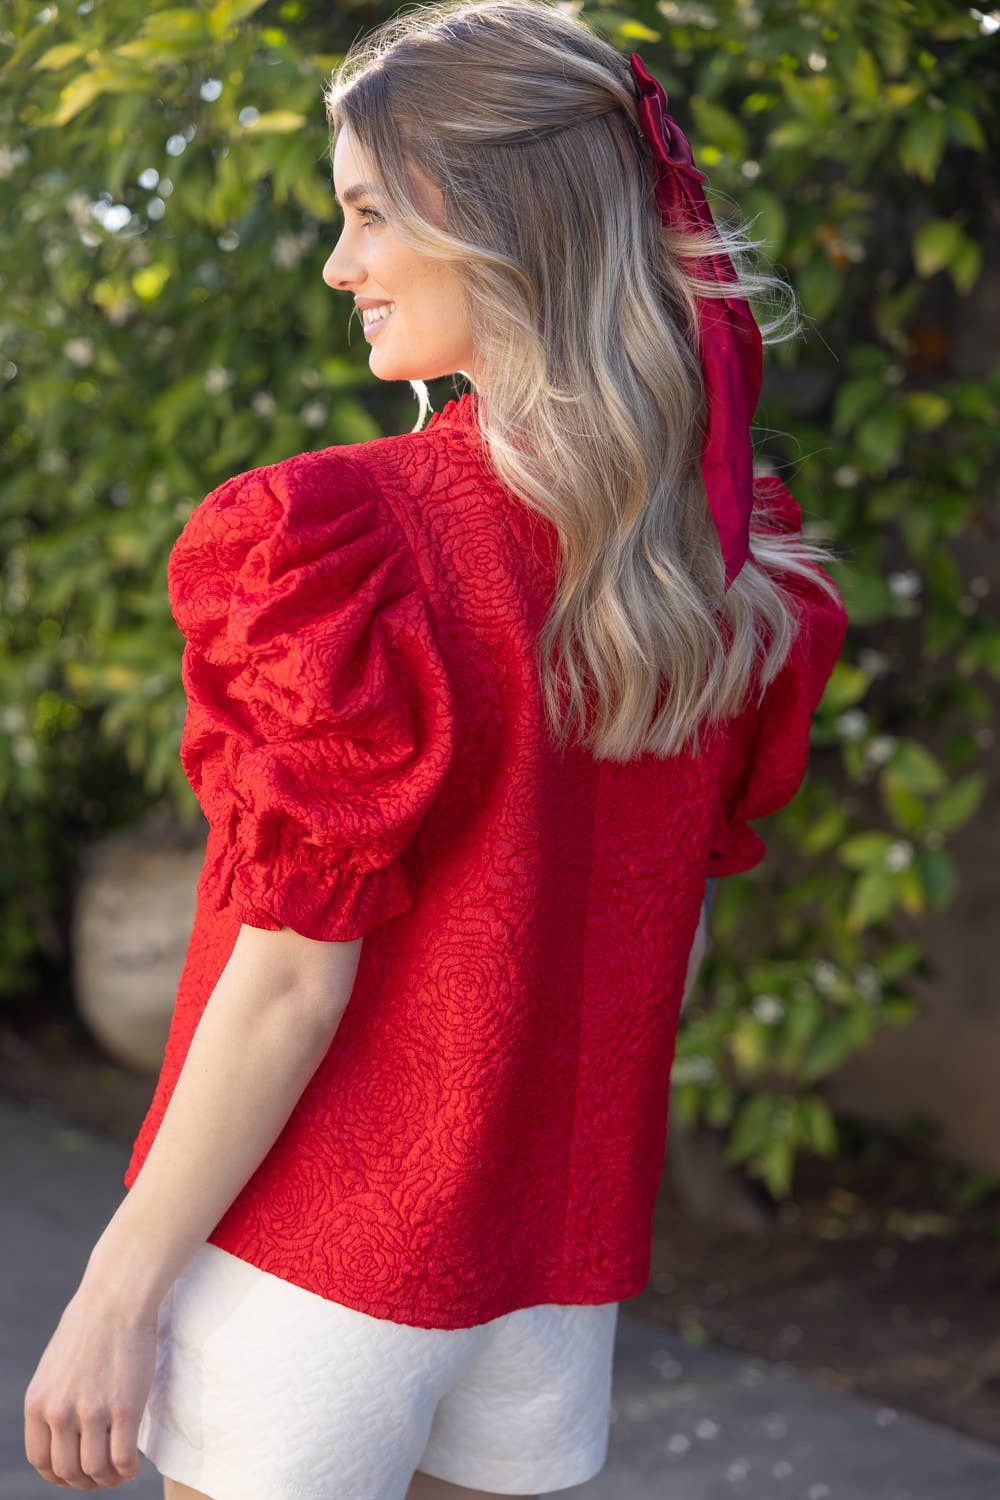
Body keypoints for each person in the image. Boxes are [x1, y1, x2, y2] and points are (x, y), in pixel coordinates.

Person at [23, 2, 849, 1497]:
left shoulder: (350, 542)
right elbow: (666, 938)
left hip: (315, 1258)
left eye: (367, 214)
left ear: (497, 223)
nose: (339, 265)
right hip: (550, 1282)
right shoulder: (721, 564)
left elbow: (290, 980)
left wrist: (115, 1291)